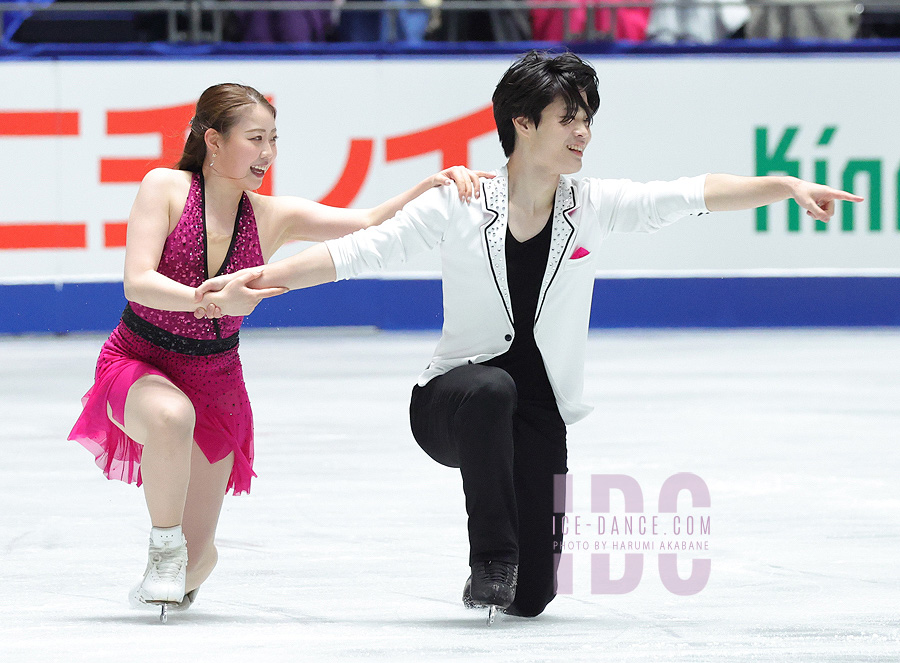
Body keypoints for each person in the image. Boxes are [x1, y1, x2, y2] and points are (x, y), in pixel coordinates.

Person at [195, 52, 863, 619]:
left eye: (586, 120)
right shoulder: (461, 202)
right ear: (522, 123)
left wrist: (782, 184)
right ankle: (491, 555)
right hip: (452, 404)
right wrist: (259, 281)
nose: (583, 134)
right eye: (568, 119)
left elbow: (688, 193)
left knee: (535, 597)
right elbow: (360, 252)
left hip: (538, 411)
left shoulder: (591, 205)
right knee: (490, 387)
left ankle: (514, 569)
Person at [67, 82, 489, 619]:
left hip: (216, 381)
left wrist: (433, 183)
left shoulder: (271, 216)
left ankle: (193, 560)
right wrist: (207, 301)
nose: (266, 154)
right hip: (139, 360)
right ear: (213, 142)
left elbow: (367, 221)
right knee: (171, 418)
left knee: (198, 561)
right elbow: (138, 281)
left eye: (273, 140)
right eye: (255, 139)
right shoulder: (166, 188)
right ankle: (163, 550)